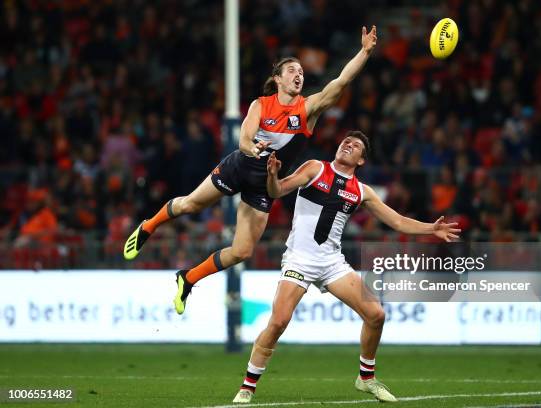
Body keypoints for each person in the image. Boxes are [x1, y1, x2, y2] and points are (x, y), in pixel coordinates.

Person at [123, 27, 378, 314]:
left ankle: (187, 278)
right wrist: (251, 148)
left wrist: (365, 51)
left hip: (264, 185)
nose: (298, 75)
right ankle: (148, 226)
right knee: (190, 204)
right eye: (292, 70)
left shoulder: (308, 109)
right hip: (239, 167)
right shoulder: (261, 104)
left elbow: (341, 81)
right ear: (278, 79)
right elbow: (244, 136)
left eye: (302, 72)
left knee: (242, 251)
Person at [232, 131, 461, 404]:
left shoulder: (362, 191)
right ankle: (248, 386)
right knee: (279, 321)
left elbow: (398, 222)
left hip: (331, 262)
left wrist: (431, 228)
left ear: (361, 160)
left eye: (355, 146)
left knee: (376, 314)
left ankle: (366, 378)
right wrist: (272, 175)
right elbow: (277, 191)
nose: (348, 145)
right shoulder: (315, 168)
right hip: (299, 260)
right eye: (346, 142)